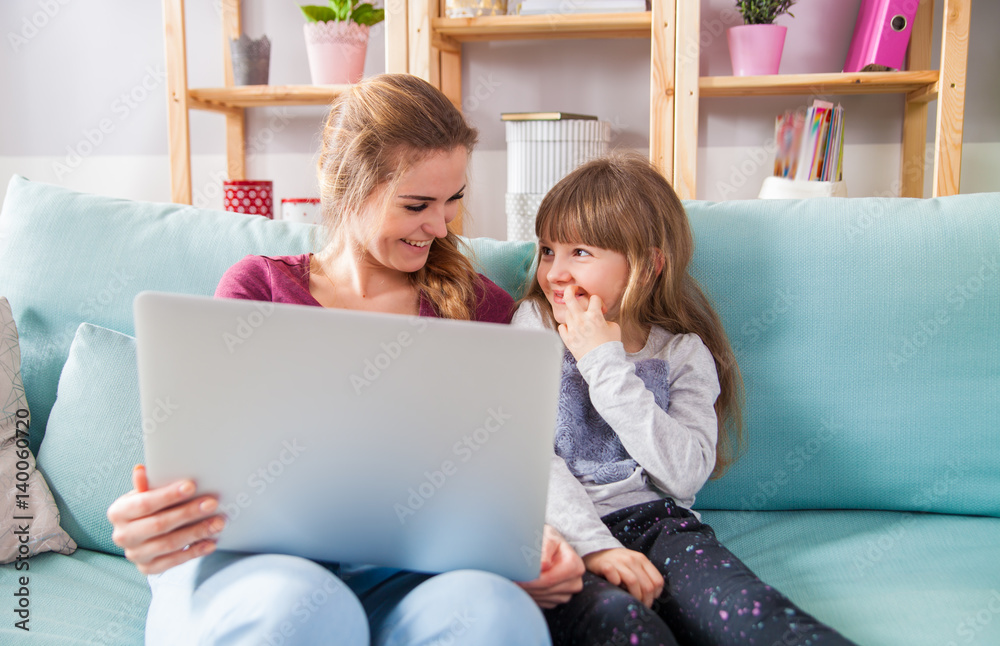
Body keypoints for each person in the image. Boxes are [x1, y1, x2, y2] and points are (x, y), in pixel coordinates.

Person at [107, 73, 583, 646]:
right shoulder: (257, 290)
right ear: (343, 185)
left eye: (454, 199)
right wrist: (154, 514)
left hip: (413, 578)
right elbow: (208, 454)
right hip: (258, 568)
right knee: (303, 612)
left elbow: (506, 475)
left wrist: (532, 546)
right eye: (417, 204)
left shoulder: (482, 307)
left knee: (495, 616)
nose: (441, 225)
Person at [513, 151, 857, 646]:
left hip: (661, 526)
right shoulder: (534, 324)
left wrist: (603, 361)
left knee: (750, 616)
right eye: (548, 250)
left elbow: (682, 474)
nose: (555, 273)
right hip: (564, 534)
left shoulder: (682, 353)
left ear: (649, 265)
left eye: (580, 253)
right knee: (624, 627)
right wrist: (595, 548)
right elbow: (526, 456)